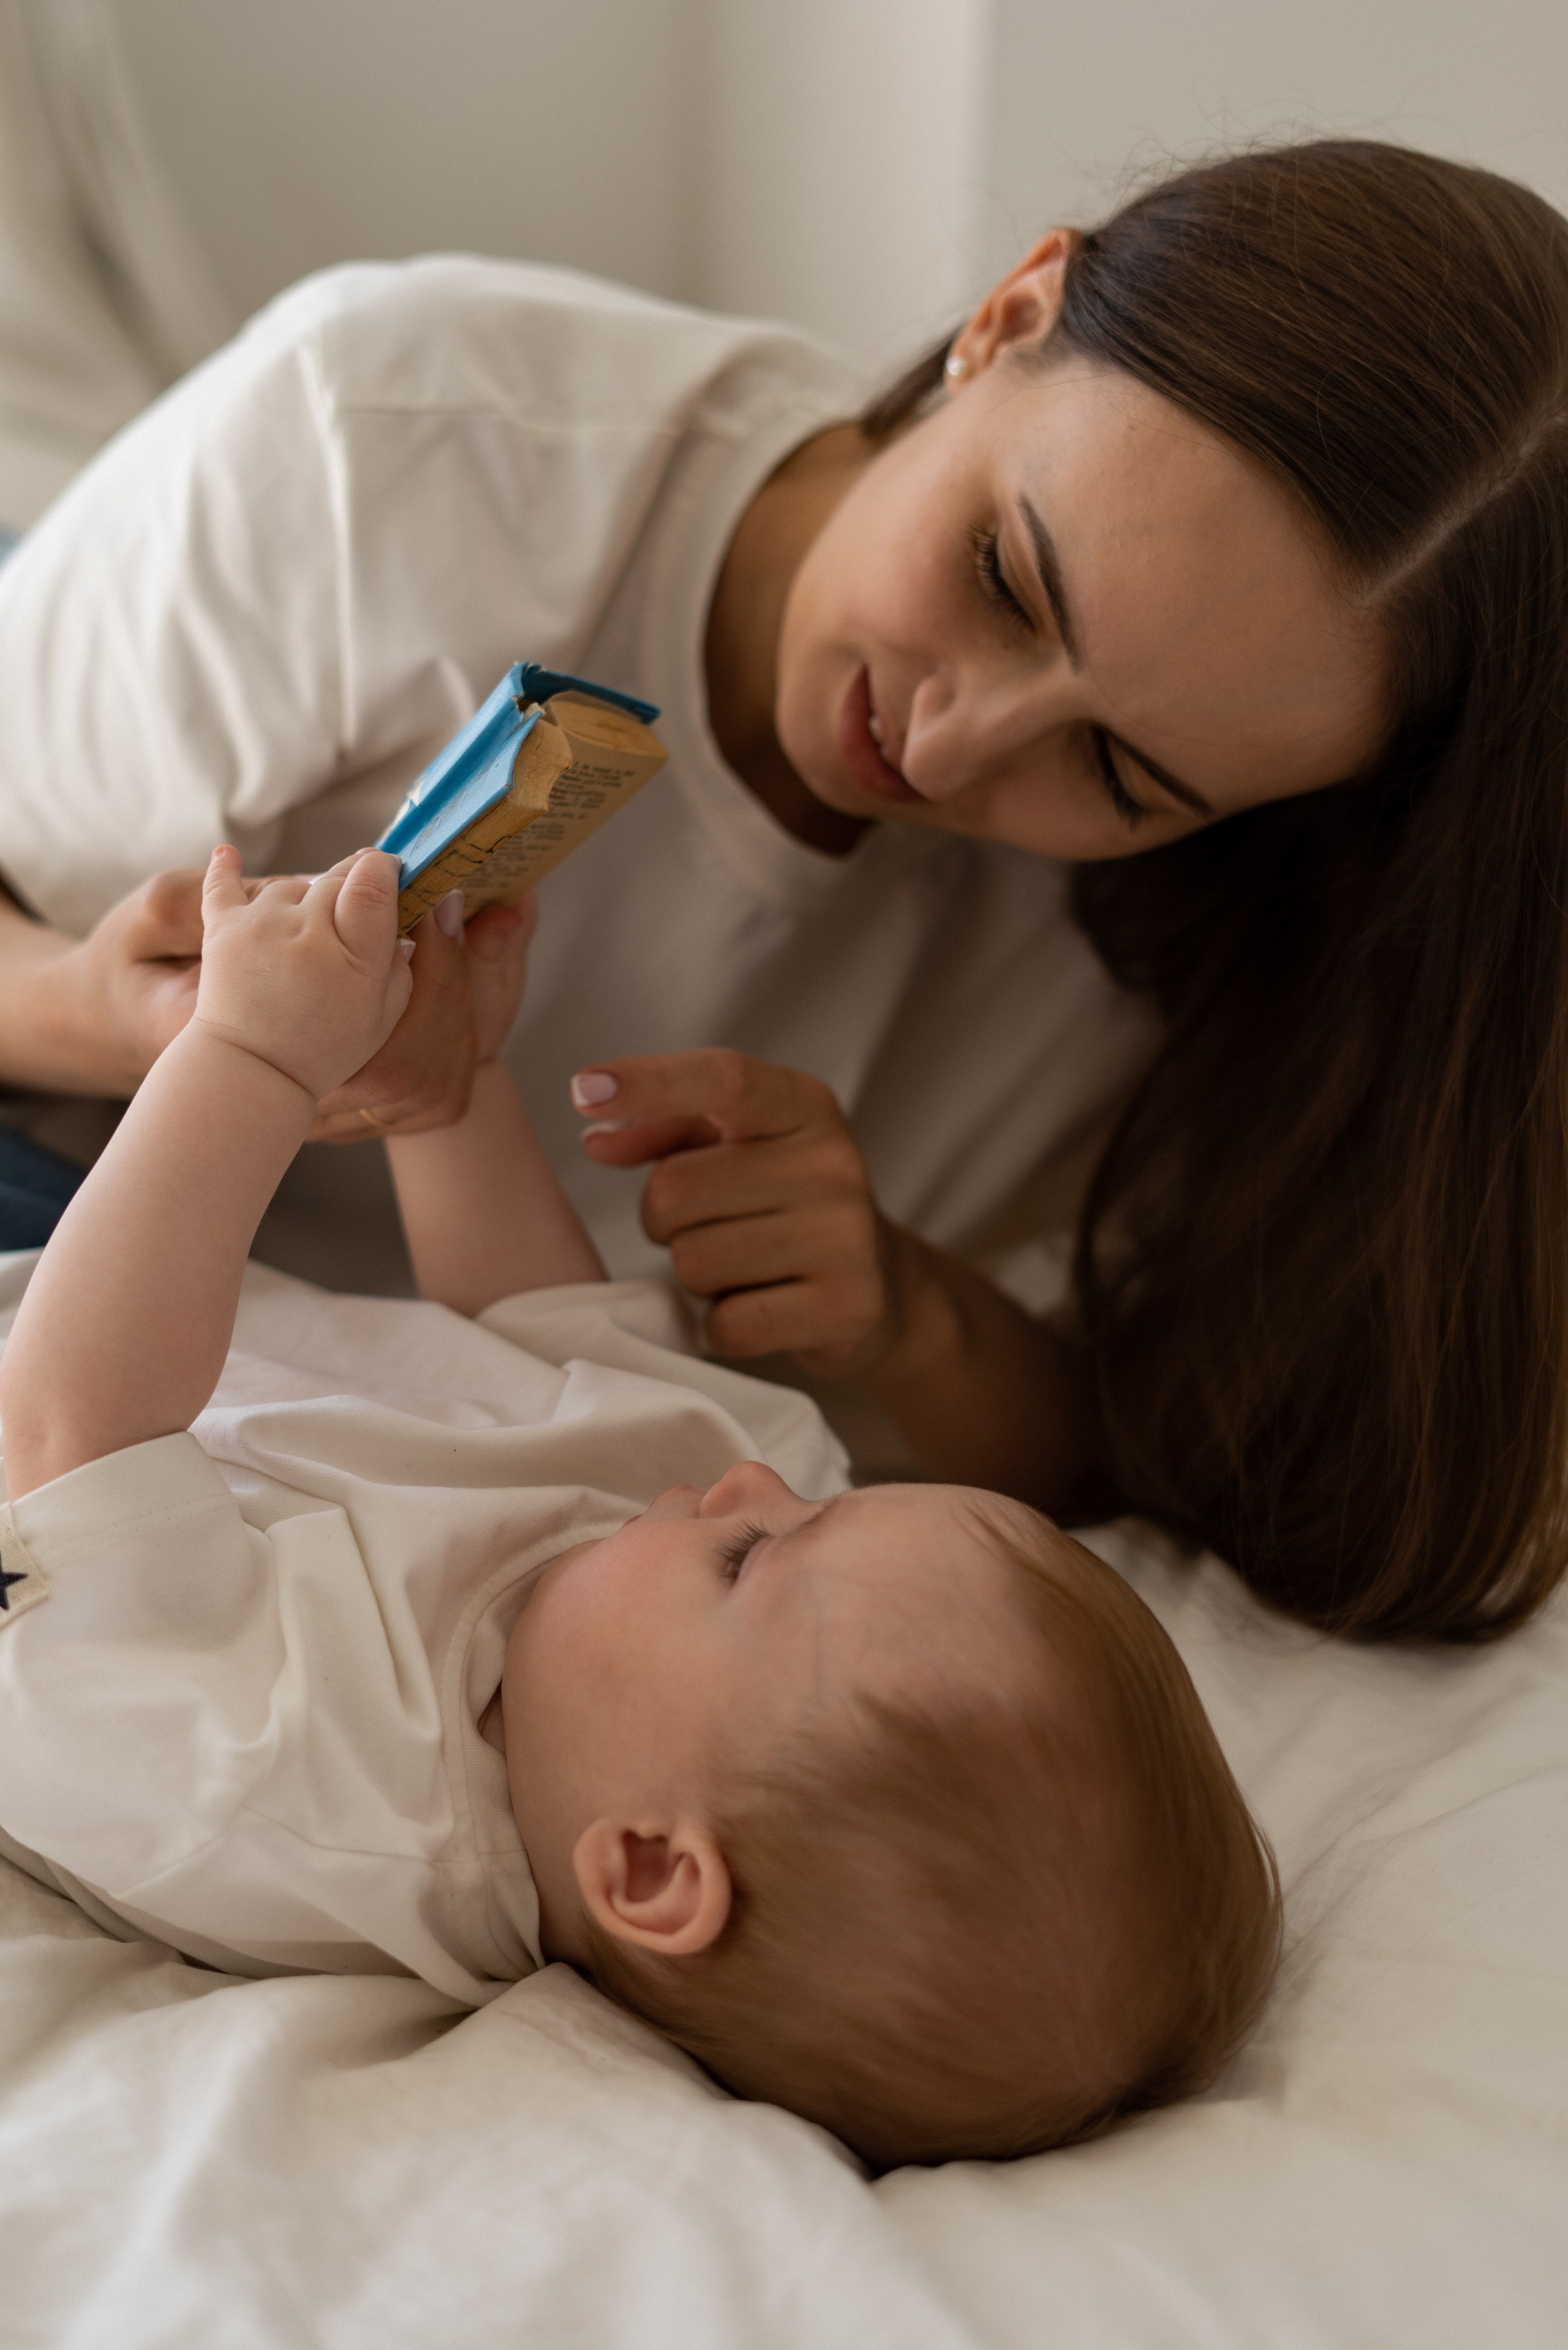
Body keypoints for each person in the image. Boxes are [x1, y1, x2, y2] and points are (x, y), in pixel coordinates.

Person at [0, 140, 1562, 1643]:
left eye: (1119, 775)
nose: (953, 746)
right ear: (1006, 318)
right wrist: (133, 1026)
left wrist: (906, 1314)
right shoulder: (387, 438)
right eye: (1003, 581)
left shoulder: (1199, 938)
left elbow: (1146, 1460)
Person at [0, 847, 1280, 2171]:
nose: (752, 1480)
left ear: (652, 1873)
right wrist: (447, 1090)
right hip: (76, 1243)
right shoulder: (683, 1599)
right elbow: (554, 1351)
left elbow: (59, 1435)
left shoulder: (295, 1788)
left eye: (746, 1557)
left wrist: (252, 1062)